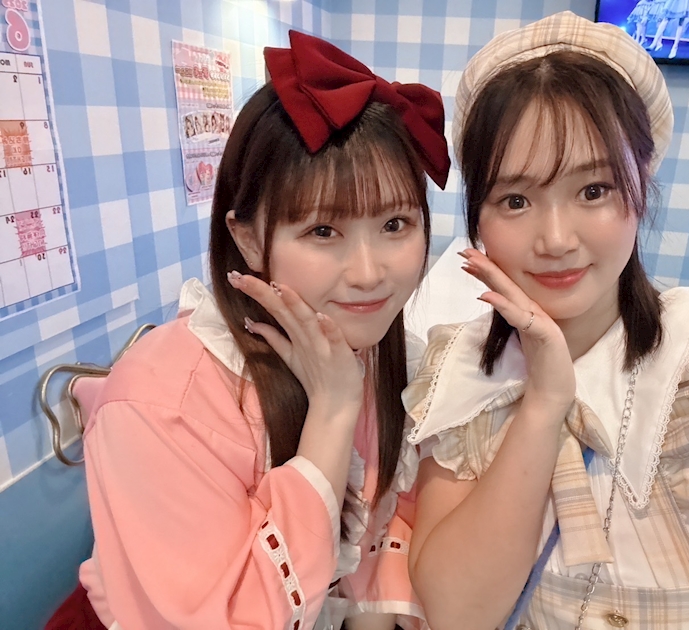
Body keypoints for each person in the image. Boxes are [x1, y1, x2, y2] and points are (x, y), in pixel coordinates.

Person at [404, 12, 689, 630]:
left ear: (642, 179)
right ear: (479, 214)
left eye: (594, 191)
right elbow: (457, 613)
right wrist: (544, 403)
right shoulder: (462, 368)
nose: (556, 239)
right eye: (516, 200)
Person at [45, 30, 450, 630]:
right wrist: (332, 413)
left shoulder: (378, 349)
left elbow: (382, 522)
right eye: (322, 231)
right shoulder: (159, 404)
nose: (370, 274)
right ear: (249, 239)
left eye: (395, 224)